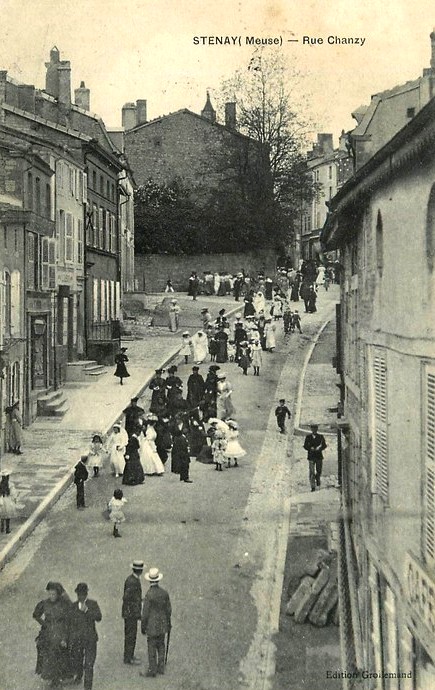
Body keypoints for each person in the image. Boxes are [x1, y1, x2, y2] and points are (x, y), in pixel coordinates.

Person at [33, 582, 71, 687]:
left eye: (54, 594)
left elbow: (68, 619)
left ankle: (58, 679)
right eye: (50, 594)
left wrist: (64, 637)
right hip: (48, 633)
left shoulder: (63, 604)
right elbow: (36, 615)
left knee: (60, 656)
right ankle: (53, 679)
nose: (51, 596)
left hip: (60, 631)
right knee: (49, 656)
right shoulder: (44, 603)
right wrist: (44, 624)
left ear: (58, 594)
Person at [140, 568, 172, 678]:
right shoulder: (164, 593)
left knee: (152, 646)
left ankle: (152, 669)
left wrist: (143, 627)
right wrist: (168, 622)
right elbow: (169, 609)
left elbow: (145, 614)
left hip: (152, 625)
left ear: (150, 581)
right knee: (161, 645)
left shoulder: (149, 595)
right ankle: (161, 666)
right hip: (163, 624)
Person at [69, 583, 102, 690]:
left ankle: (88, 687)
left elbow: (98, 617)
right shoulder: (73, 606)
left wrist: (87, 611)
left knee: (89, 664)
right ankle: (78, 676)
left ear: (86, 594)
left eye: (83, 594)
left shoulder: (92, 604)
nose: (81, 597)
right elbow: (70, 623)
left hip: (90, 639)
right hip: (78, 640)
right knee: (78, 660)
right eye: (79, 595)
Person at [122, 560, 145, 665]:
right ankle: (128, 657)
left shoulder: (131, 579)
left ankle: (129, 655)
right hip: (131, 614)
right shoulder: (133, 581)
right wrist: (136, 610)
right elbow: (127, 597)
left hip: (129, 613)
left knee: (130, 635)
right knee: (131, 635)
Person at [303, 424, 327, 491]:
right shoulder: (308, 437)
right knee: (312, 472)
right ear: (311, 429)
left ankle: (317, 477)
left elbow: (324, 445)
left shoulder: (320, 437)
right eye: (313, 429)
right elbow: (305, 446)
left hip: (319, 456)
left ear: (317, 429)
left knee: (319, 471)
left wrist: (319, 449)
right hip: (311, 456)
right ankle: (313, 486)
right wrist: (310, 448)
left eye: (315, 429)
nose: (314, 430)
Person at [0, 468, 18, 533]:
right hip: (8, 500)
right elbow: (13, 494)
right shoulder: (10, 484)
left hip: (1, 500)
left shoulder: (0, 484)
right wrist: (15, 499)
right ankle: (7, 529)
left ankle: (2, 528)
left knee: (2, 514)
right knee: (8, 515)